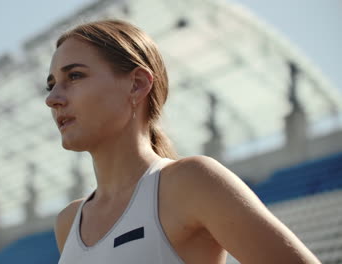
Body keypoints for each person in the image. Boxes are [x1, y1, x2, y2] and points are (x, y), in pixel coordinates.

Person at [45, 19, 320, 264]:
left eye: (75, 76)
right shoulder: (68, 222)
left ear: (137, 84)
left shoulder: (192, 183)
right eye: (51, 84)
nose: (52, 98)